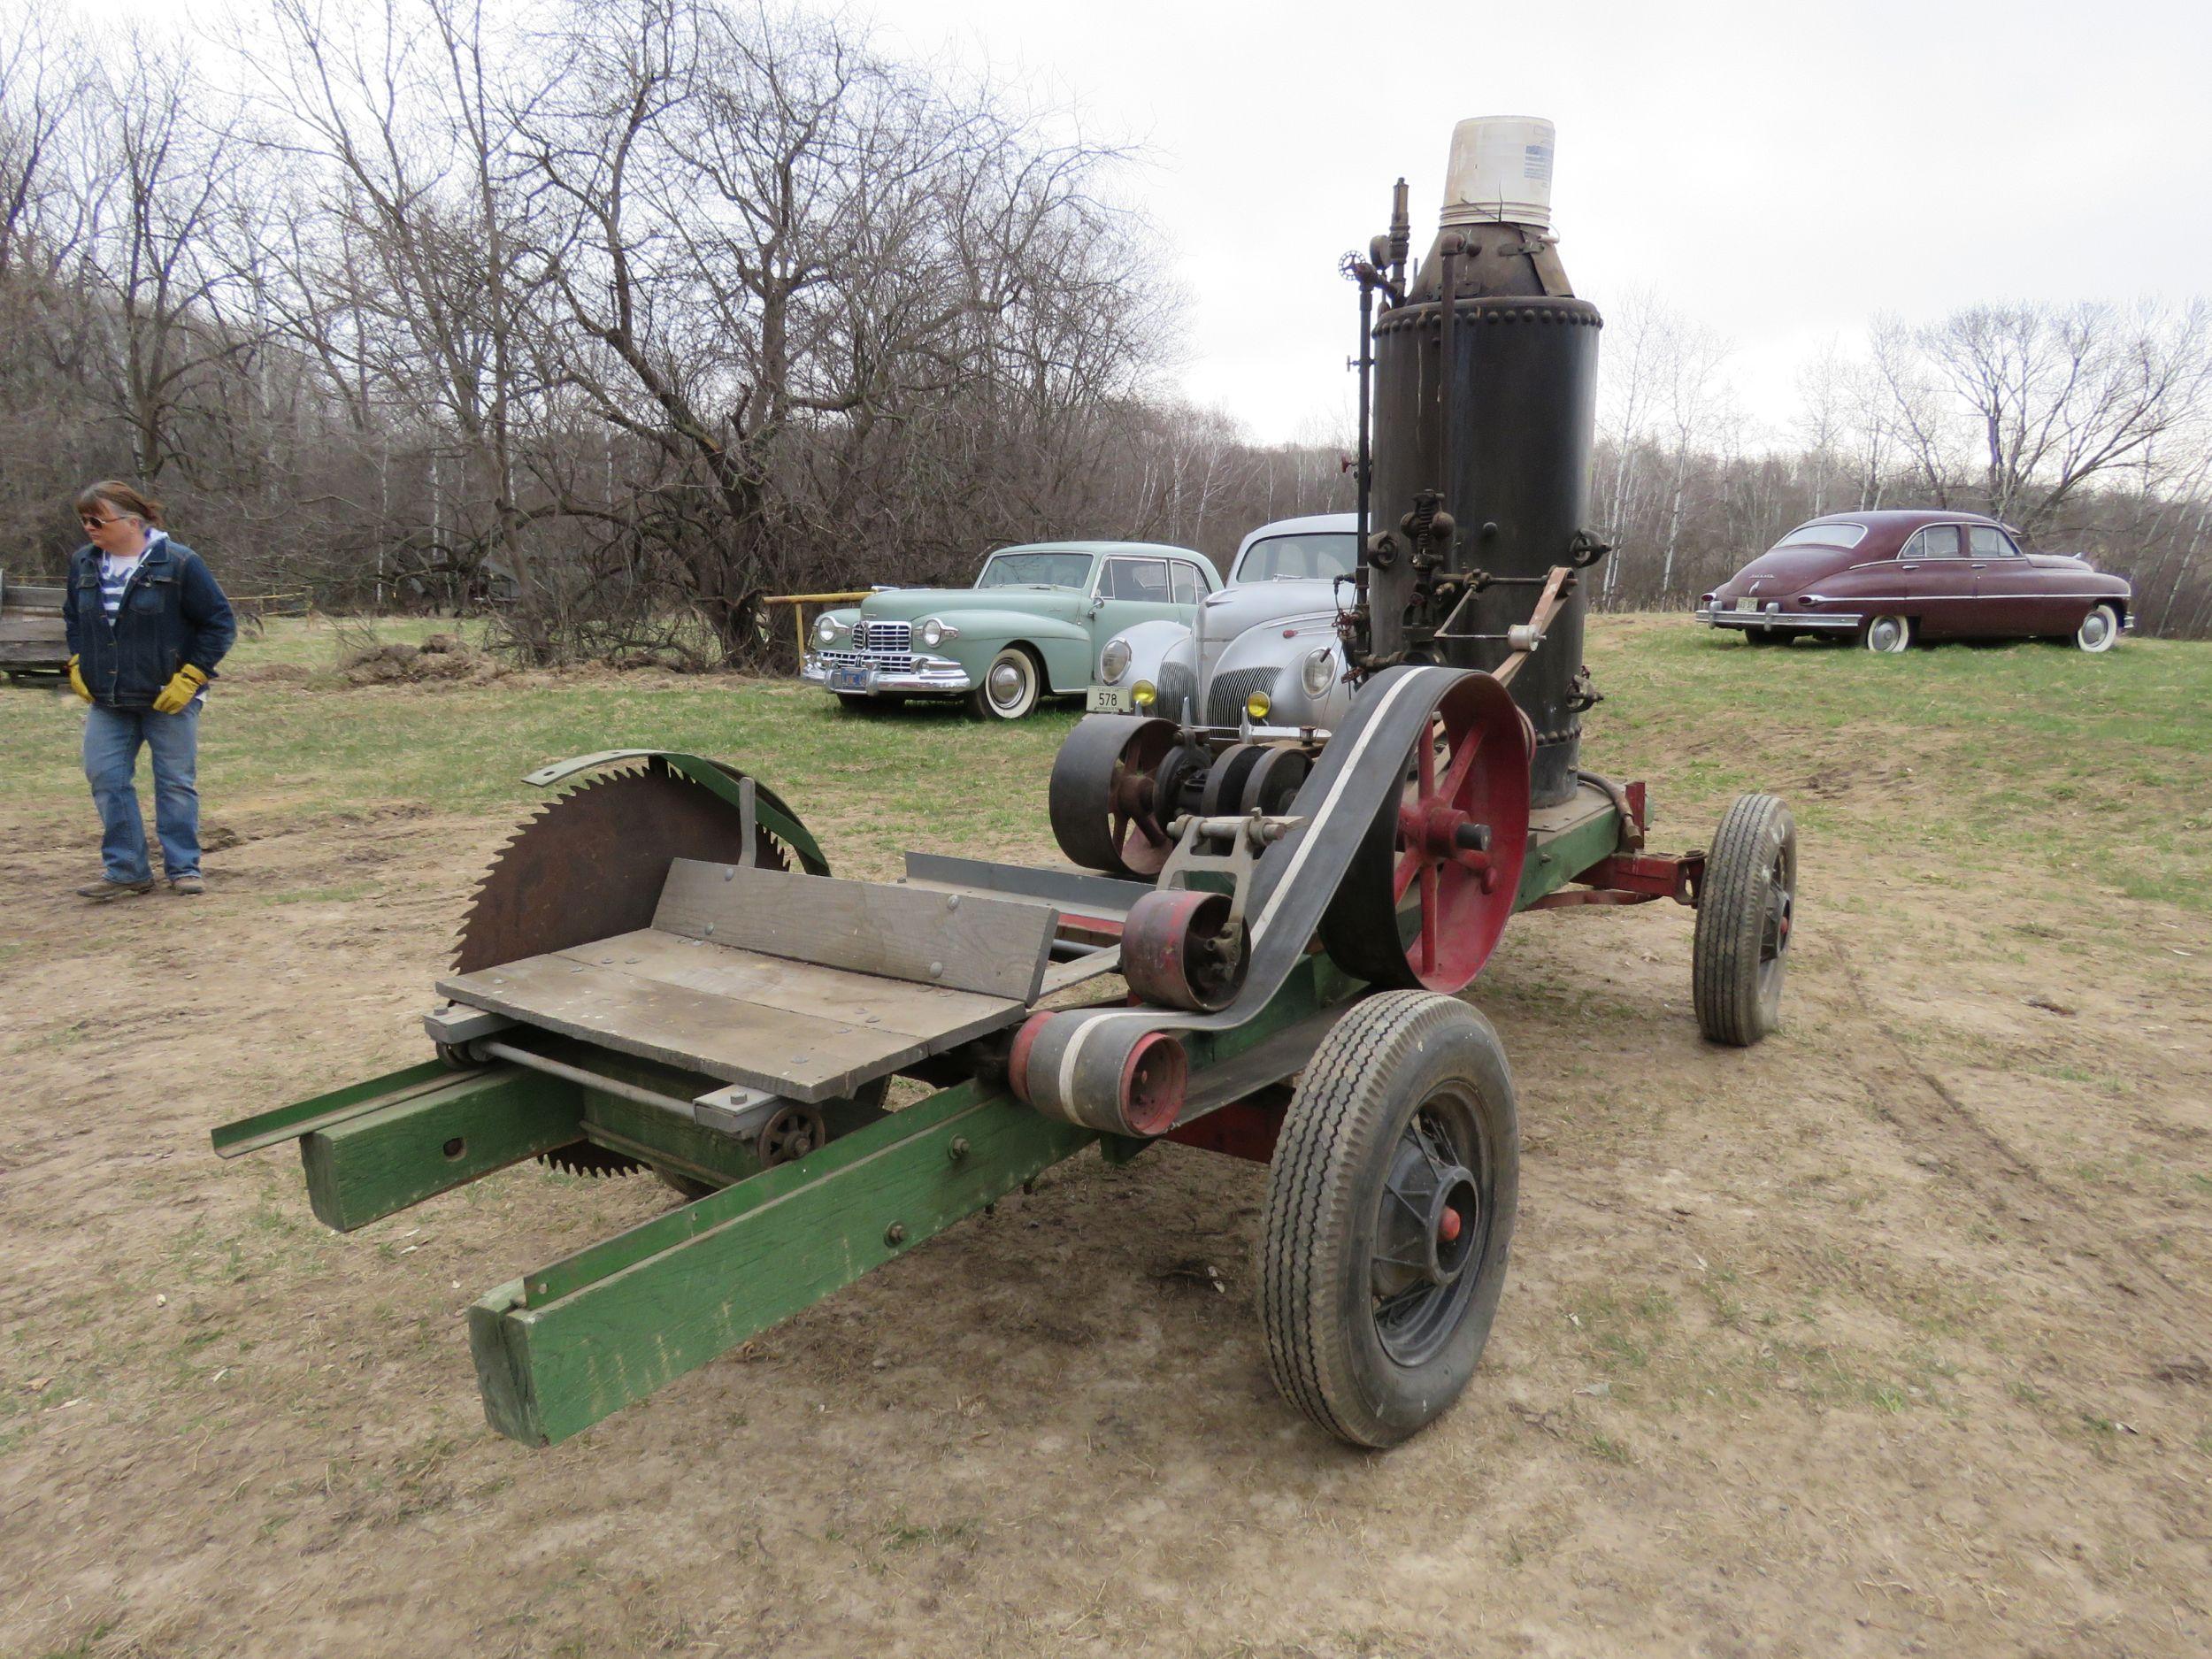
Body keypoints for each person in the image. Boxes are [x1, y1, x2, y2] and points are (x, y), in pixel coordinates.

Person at [62, 481, 235, 900]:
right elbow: (73, 617)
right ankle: (126, 871)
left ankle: (183, 868)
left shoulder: (179, 564)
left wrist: (192, 677)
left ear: (132, 521)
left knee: (175, 782)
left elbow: (219, 623)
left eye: (96, 520)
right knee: (106, 777)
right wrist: (77, 661)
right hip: (108, 699)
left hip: (168, 696)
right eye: (83, 520)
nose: (88, 528)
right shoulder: (84, 564)